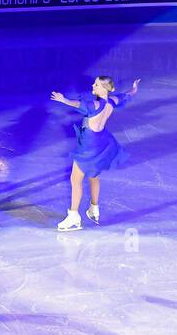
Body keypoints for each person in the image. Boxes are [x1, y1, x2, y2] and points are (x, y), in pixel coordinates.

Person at [49, 76, 140, 231]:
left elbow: (78, 104)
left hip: (88, 145)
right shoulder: (113, 101)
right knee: (93, 175)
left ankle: (74, 217)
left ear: (104, 88)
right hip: (101, 143)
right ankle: (94, 208)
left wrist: (63, 100)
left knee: (75, 179)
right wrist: (134, 88)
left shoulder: (95, 105)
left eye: (97, 84)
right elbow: (128, 95)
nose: (93, 85)